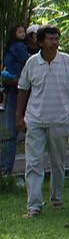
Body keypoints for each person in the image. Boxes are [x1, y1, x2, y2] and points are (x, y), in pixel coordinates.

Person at [16, 24, 69, 218]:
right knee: (33, 163)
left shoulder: (66, 60)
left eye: (56, 39)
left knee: (57, 162)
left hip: (59, 119)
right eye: (50, 39)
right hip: (35, 119)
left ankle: (57, 199)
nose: (54, 43)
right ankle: (34, 206)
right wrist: (19, 116)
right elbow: (23, 88)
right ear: (40, 42)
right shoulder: (31, 62)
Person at [2, 23, 30, 175]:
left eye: (24, 31)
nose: (23, 34)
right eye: (20, 31)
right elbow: (26, 60)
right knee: (10, 134)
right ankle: (5, 170)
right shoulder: (18, 47)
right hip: (14, 87)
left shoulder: (14, 47)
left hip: (16, 86)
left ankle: (6, 170)